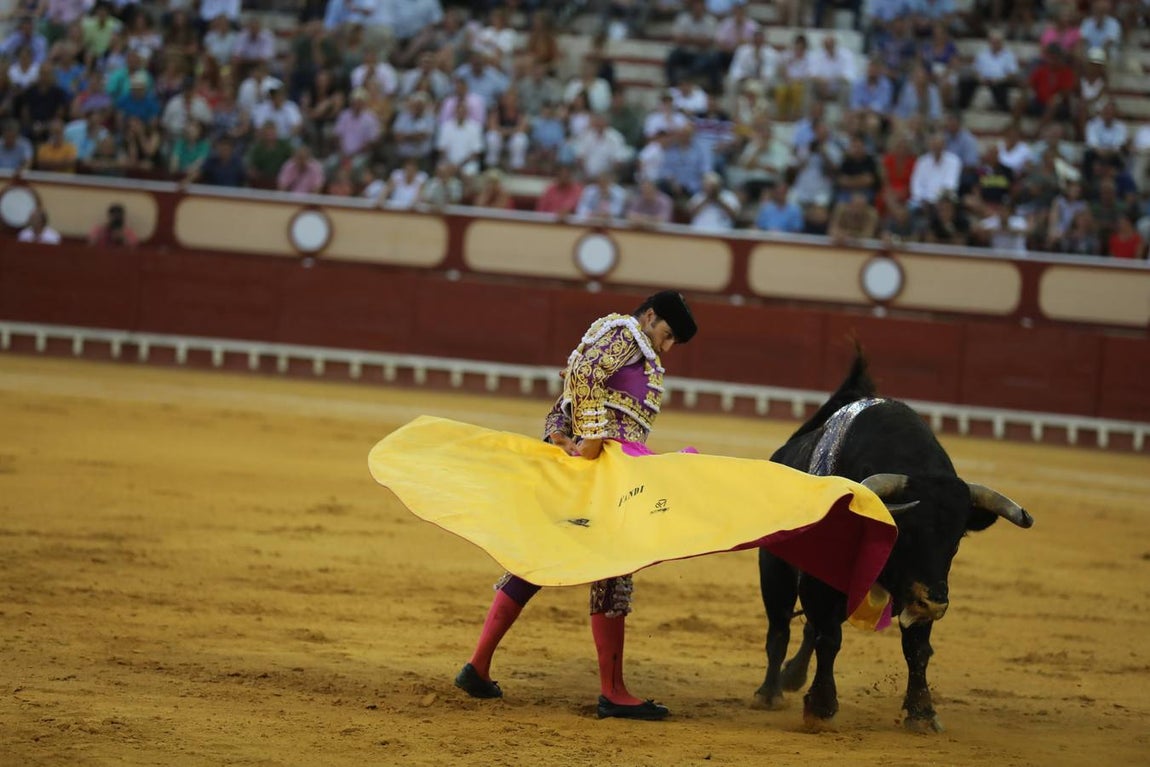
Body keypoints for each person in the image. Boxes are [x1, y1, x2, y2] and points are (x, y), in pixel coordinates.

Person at [454, 291, 699, 722]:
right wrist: (591, 441)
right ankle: (613, 692)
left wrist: (560, 434)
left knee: (536, 561)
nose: (667, 346)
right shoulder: (627, 334)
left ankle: (478, 667)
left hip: (600, 469)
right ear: (650, 316)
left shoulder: (623, 341)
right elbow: (584, 374)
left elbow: (571, 392)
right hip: (604, 474)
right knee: (612, 569)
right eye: (667, 334)